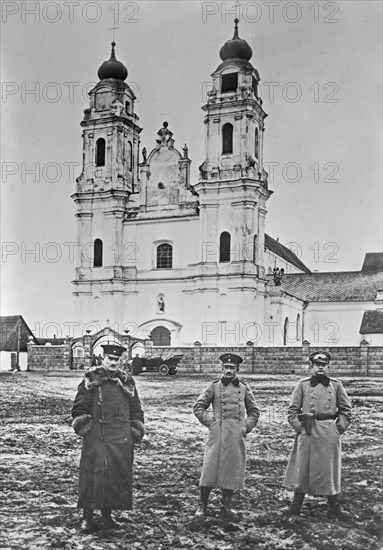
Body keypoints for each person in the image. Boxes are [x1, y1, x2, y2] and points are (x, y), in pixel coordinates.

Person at [72, 344, 145, 532]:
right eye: (109, 359)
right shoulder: (92, 379)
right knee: (91, 475)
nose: (113, 363)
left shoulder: (127, 381)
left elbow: (136, 409)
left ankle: (107, 516)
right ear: (102, 358)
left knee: (115, 475)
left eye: (116, 360)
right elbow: (79, 407)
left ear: (121, 360)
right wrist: (86, 427)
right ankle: (87, 518)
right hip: (97, 436)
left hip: (121, 438)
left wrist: (134, 429)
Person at [282, 350, 352, 519]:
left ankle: (334, 507)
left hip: (329, 431)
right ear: (311, 366)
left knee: (329, 468)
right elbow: (292, 411)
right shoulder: (303, 385)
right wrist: (300, 429)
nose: (321, 368)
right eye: (317, 365)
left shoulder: (336, 385)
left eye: (324, 365)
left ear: (328, 366)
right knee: (303, 467)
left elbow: (346, 410)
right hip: (308, 430)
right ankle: (296, 506)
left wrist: (338, 429)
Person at [193, 353, 260, 517]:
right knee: (209, 468)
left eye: (232, 368)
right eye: (227, 368)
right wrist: (211, 423)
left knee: (232, 469)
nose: (229, 370)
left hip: (236, 435)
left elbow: (254, 411)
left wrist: (245, 427)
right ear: (222, 368)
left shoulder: (244, 388)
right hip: (218, 434)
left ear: (237, 369)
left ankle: (226, 506)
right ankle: (202, 505)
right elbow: (198, 407)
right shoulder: (214, 386)